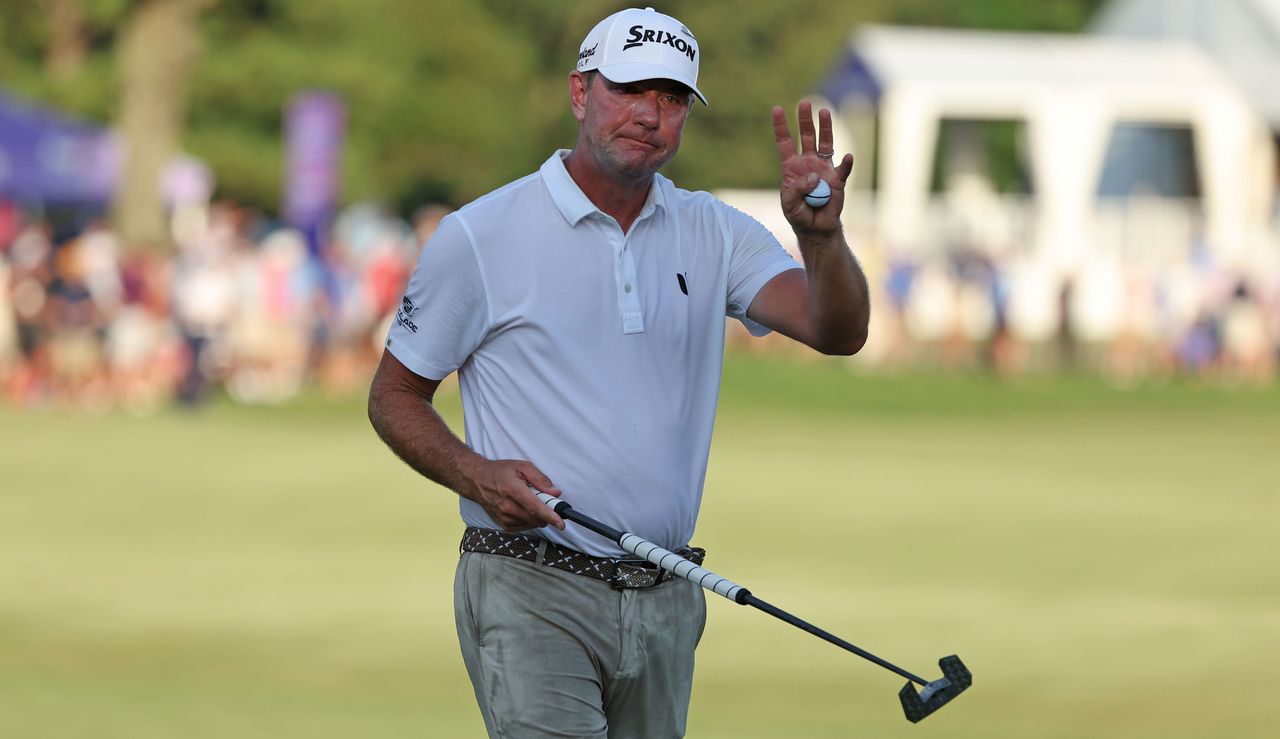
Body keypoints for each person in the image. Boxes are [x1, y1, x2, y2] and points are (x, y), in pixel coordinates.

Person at [367, 7, 870, 737]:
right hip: (528, 582)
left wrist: (821, 238)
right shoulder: (482, 234)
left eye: (670, 99)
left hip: (667, 593)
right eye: (629, 90)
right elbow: (393, 395)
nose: (649, 114)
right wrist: (475, 473)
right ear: (579, 93)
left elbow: (837, 330)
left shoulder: (714, 230)